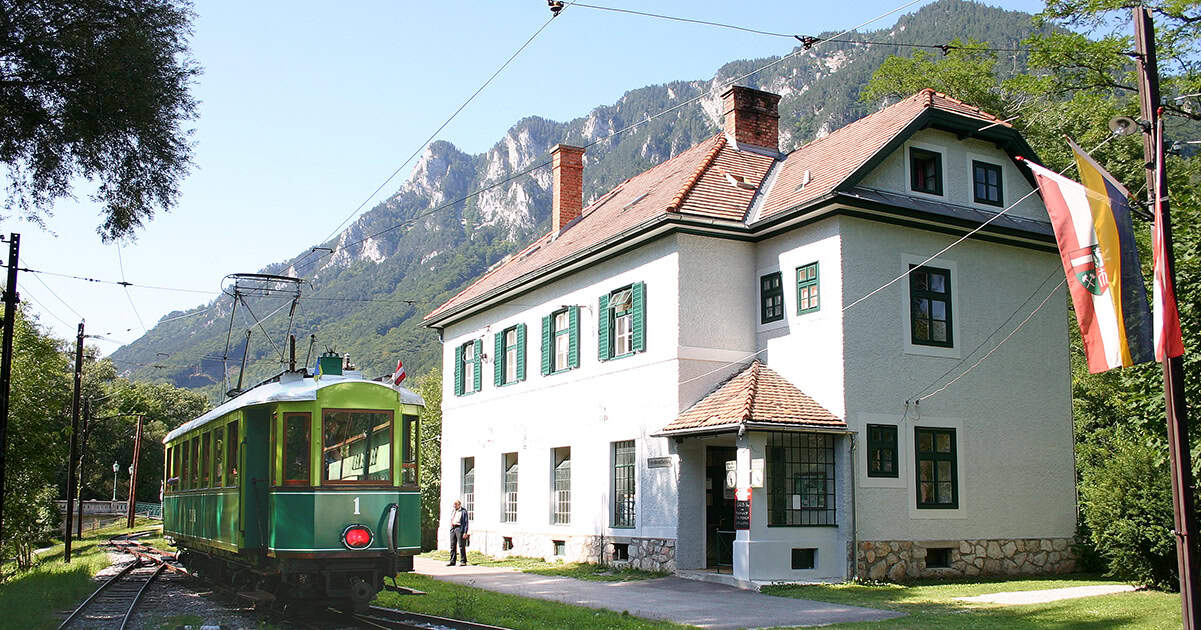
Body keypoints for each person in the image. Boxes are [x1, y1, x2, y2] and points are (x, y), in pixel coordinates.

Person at [448, 500, 469, 566]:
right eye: (454, 505)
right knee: (452, 545)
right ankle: (452, 561)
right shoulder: (454, 510)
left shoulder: (463, 511)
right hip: (453, 527)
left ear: (459, 505)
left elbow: (466, 522)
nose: (454, 506)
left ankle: (463, 561)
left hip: (459, 528)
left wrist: (465, 532)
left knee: (461, 545)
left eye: (455, 505)